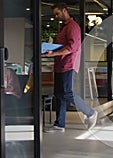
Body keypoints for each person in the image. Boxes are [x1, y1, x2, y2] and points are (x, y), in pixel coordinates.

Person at [42, 2, 98, 133]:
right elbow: (63, 46)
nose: (56, 16)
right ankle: (59, 125)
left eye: (57, 13)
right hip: (60, 65)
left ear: (65, 11)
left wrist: (54, 53)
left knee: (67, 92)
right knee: (59, 94)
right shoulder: (64, 28)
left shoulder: (73, 27)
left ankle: (90, 113)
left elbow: (72, 47)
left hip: (68, 64)